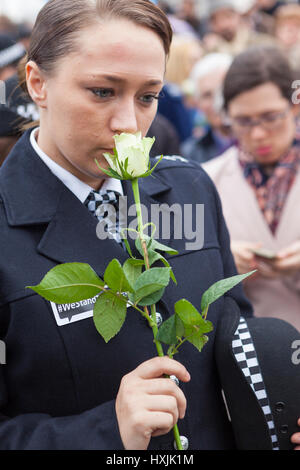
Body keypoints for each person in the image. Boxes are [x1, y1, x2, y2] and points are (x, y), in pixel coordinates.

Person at [0, 0, 298, 451]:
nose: (128, 126)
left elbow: (233, 334)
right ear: (37, 82)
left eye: (147, 97)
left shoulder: (189, 189)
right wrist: (107, 430)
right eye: (102, 91)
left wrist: (281, 399)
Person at [203, 46, 300, 333]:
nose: (258, 133)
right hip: (245, 355)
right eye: (243, 122)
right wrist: (218, 261)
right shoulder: (206, 181)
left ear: (294, 107)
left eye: (271, 117)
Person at [181, 52, 235, 163]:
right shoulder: (190, 154)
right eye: (207, 95)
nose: (217, 102)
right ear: (197, 103)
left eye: (222, 91)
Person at [203, 0, 275, 56]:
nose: (224, 24)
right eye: (216, 20)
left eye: (228, 16)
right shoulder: (208, 49)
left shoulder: (260, 42)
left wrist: (220, 47)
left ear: (238, 17)